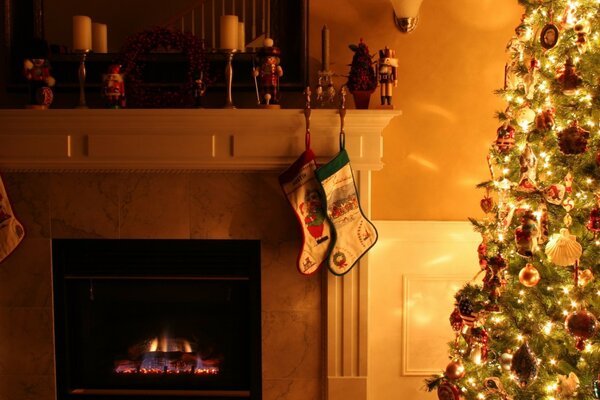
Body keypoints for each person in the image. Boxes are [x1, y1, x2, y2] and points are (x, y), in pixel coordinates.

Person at [252, 38, 283, 107]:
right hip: (264, 81)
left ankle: (274, 101)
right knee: (264, 91)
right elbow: (257, 71)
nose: (268, 59)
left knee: (274, 91)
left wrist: (280, 72)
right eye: (266, 58)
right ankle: (264, 101)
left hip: (273, 81)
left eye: (270, 58)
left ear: (275, 59)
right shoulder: (261, 66)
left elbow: (280, 72)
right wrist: (255, 73)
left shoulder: (276, 66)